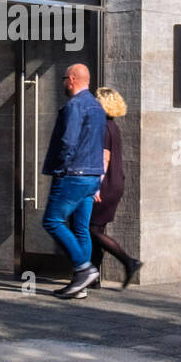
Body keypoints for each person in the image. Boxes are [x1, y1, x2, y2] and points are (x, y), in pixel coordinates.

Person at [41, 63, 106, 300]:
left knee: (52, 221)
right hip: (90, 177)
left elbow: (68, 142)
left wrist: (60, 168)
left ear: (71, 79)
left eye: (63, 79)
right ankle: (81, 285)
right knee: (80, 228)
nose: (63, 85)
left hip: (73, 175)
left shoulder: (75, 105)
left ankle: (83, 268)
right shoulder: (98, 107)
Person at [89, 86, 141, 289]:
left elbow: (104, 158)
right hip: (114, 183)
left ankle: (129, 261)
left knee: (91, 229)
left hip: (105, 184)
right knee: (97, 229)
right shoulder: (113, 126)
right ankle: (94, 277)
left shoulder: (102, 126)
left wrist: (96, 186)